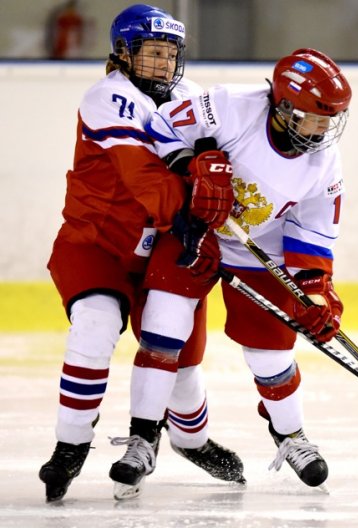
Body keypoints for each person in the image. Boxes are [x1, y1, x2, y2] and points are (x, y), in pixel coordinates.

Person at [38, 3, 243, 503]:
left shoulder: (193, 97)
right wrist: (195, 210)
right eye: (151, 52)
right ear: (124, 55)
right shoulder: (108, 96)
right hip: (97, 242)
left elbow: (224, 158)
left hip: (168, 244)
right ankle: (70, 445)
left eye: (170, 53)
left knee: (180, 363)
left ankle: (189, 440)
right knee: (94, 322)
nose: (162, 64)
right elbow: (144, 176)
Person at [142, 48, 352, 487]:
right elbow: (162, 128)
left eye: (328, 120)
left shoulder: (324, 162)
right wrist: (192, 166)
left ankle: (290, 433)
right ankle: (142, 436)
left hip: (260, 252)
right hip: (194, 233)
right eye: (313, 117)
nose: (322, 129)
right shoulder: (229, 106)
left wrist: (317, 296)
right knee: (164, 328)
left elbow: (311, 236)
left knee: (271, 353)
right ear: (283, 105)